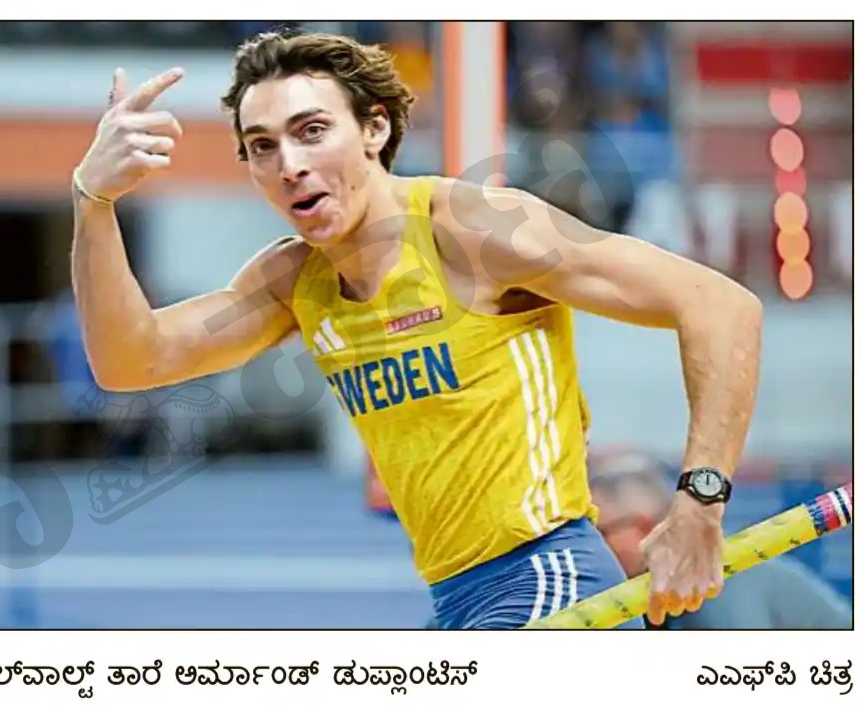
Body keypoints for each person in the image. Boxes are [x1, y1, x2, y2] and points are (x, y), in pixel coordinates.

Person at [69, 30, 763, 629]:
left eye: (312, 131)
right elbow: (132, 361)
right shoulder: (292, 281)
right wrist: (93, 200)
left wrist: (699, 504)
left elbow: (721, 306)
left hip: (547, 575)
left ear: (374, 130)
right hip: (456, 599)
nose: (290, 164)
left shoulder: (470, 229)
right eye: (262, 146)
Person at [589, 449, 852, 629]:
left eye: (601, 533)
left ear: (645, 525)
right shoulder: (676, 587)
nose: (591, 549)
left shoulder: (718, 583)